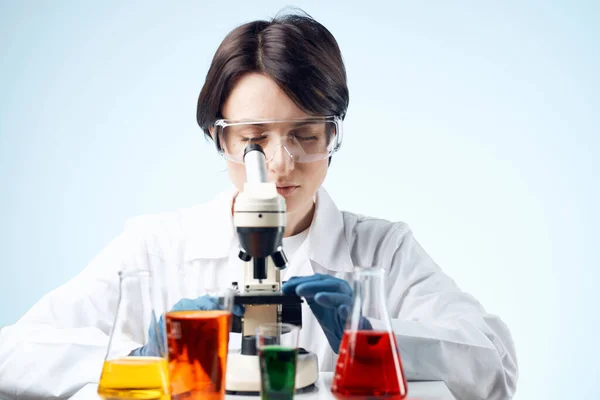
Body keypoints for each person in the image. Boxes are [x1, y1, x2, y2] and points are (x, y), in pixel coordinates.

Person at [0, 10, 518, 400]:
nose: (282, 164)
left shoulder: (382, 251)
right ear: (219, 139)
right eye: (255, 139)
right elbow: (11, 356)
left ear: (332, 134)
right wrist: (144, 358)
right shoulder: (156, 248)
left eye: (306, 135)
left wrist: (376, 336)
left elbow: (495, 367)